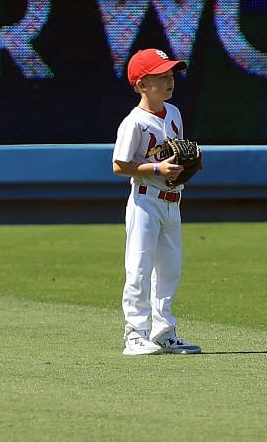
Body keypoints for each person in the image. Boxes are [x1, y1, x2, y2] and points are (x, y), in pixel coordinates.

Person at [112, 46, 202, 358]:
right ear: (141, 85)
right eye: (160, 76)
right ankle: (135, 334)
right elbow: (119, 164)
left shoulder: (174, 113)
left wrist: (183, 165)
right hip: (145, 201)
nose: (169, 80)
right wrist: (156, 168)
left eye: (170, 75)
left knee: (169, 270)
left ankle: (164, 332)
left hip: (172, 200)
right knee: (139, 268)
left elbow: (175, 154)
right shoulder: (134, 122)